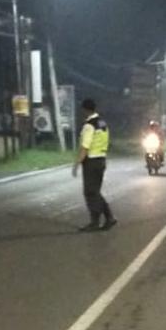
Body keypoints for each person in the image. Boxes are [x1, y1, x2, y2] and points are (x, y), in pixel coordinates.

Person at [74, 99, 117, 232]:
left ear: (86, 110)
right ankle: (107, 218)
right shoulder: (102, 123)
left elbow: (85, 147)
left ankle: (97, 221)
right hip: (101, 160)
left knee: (90, 192)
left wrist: (77, 163)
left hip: (91, 161)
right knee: (95, 192)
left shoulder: (89, 126)